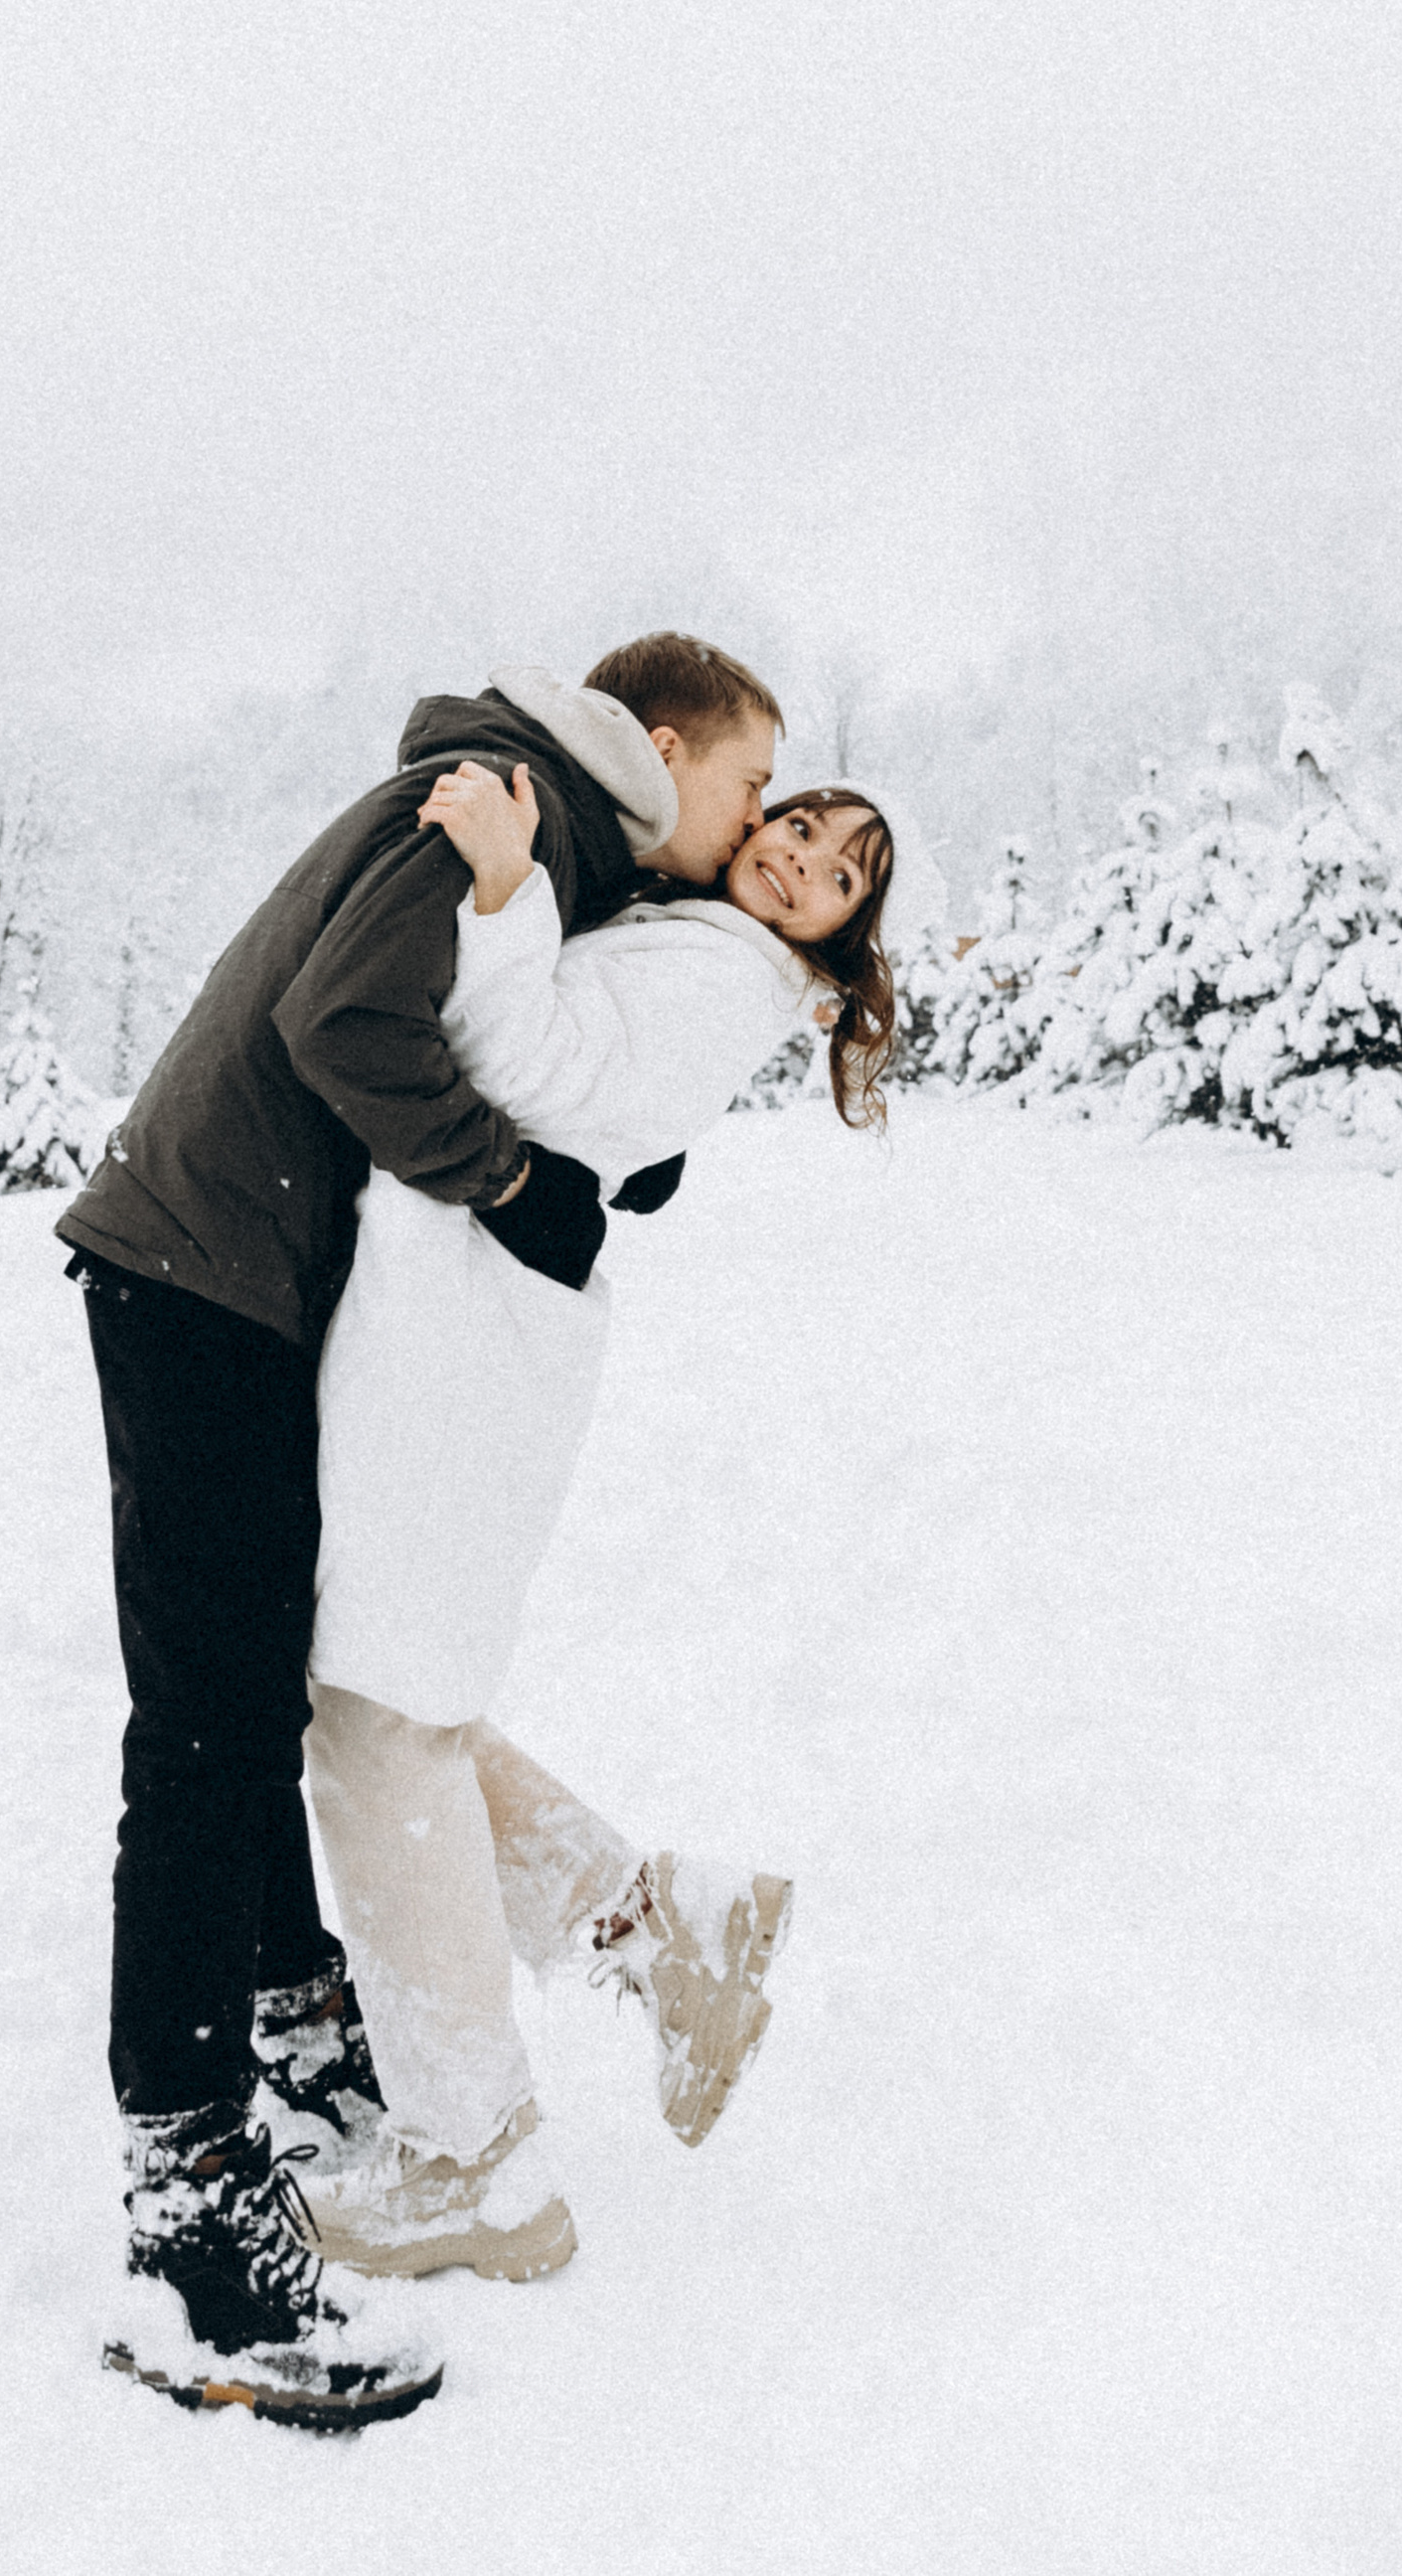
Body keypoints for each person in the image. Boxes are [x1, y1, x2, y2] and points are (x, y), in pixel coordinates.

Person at [57, 636, 785, 2426]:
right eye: (755, 785)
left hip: (237, 1276)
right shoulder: (504, 801)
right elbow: (347, 1024)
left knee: (284, 1687)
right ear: (671, 747)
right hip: (203, 1270)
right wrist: (519, 1183)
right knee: (217, 1732)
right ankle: (193, 2209)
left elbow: (495, 1025)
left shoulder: (550, 837)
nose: (759, 819)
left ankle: (304, 2021)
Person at [297, 760, 896, 2285]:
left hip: (466, 1353)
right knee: (384, 1705)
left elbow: (527, 1070)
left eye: (841, 870)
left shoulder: (720, 980)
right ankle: (657, 1928)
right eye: (800, 822)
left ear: (843, 936)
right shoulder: (709, 953)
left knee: (384, 1724)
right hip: (457, 1336)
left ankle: (474, 2164)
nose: (801, 854)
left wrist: (502, 888)